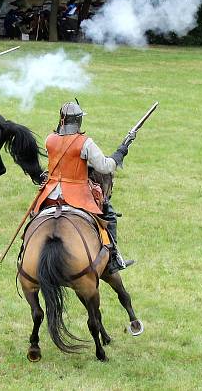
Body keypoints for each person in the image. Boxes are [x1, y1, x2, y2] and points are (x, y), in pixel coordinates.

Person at [29, 101, 134, 273]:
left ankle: (26, 248)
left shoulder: (50, 139)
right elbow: (105, 167)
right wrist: (120, 153)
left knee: (35, 217)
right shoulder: (85, 142)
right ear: (78, 121)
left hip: (50, 191)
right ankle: (114, 260)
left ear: (61, 120)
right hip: (77, 193)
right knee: (110, 216)